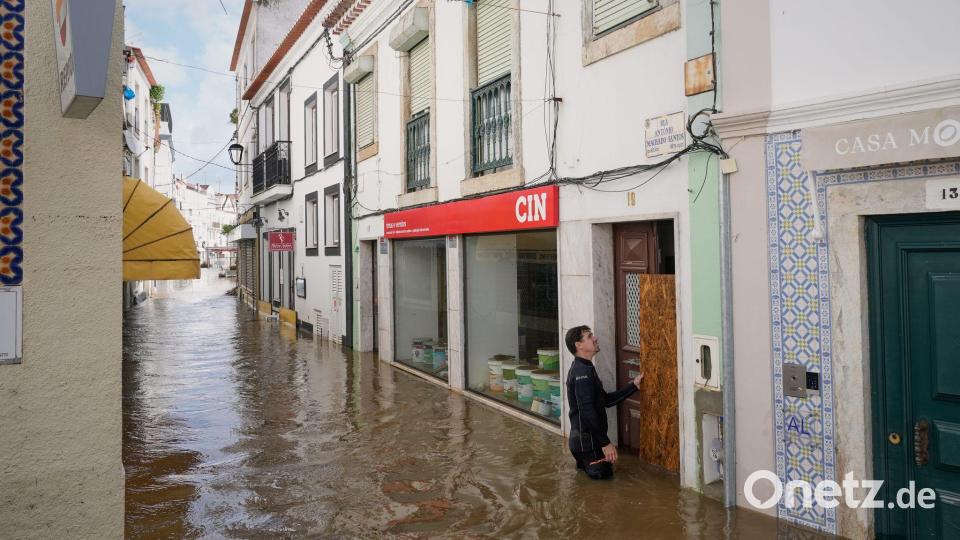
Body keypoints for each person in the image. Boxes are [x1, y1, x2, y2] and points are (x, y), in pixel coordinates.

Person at [565, 325, 643, 480]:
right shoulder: (583, 373)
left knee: (586, 487)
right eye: (589, 336)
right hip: (589, 445)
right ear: (578, 345)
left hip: (582, 443)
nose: (595, 338)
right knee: (604, 490)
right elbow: (587, 411)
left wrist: (633, 386)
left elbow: (605, 400)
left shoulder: (584, 368)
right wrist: (605, 443)